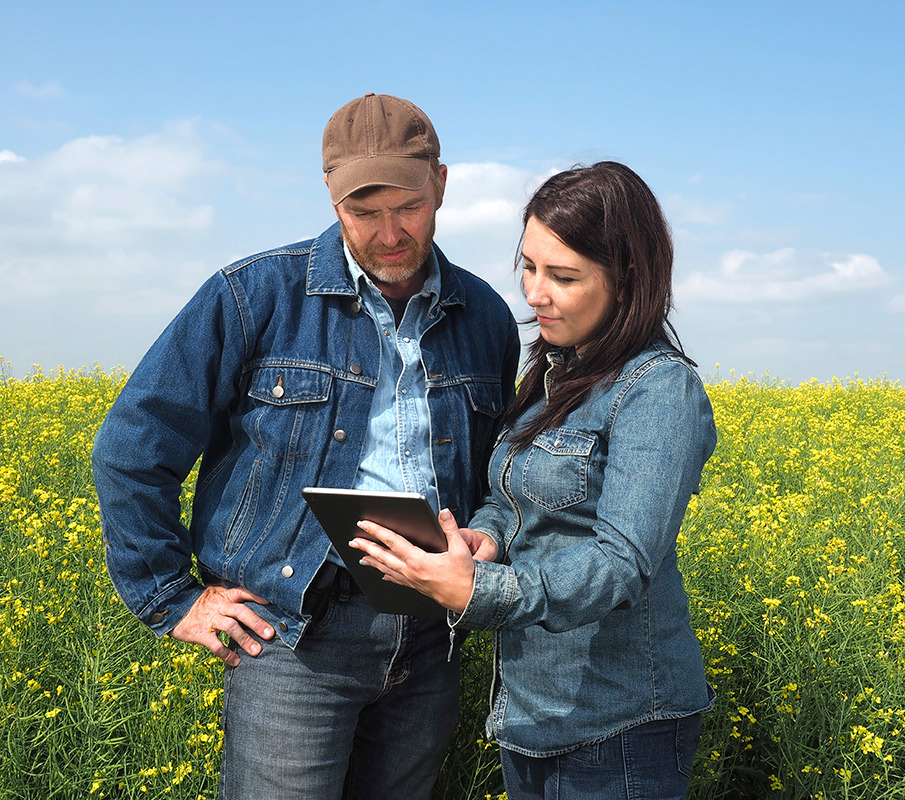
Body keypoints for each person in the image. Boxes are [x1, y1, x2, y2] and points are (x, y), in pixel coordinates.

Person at [91, 92, 520, 800]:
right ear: (330, 195)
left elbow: (494, 476)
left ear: (440, 185)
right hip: (294, 636)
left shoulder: (486, 319)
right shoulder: (254, 294)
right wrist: (171, 598)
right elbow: (132, 448)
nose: (389, 233)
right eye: (363, 211)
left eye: (407, 207)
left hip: (431, 637)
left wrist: (484, 535)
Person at [351, 161, 717, 800]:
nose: (534, 294)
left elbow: (622, 562)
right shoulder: (553, 376)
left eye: (563, 277)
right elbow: (510, 497)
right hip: (531, 715)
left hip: (621, 723)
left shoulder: (658, 390)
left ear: (628, 279)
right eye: (528, 266)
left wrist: (480, 590)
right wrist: (484, 539)